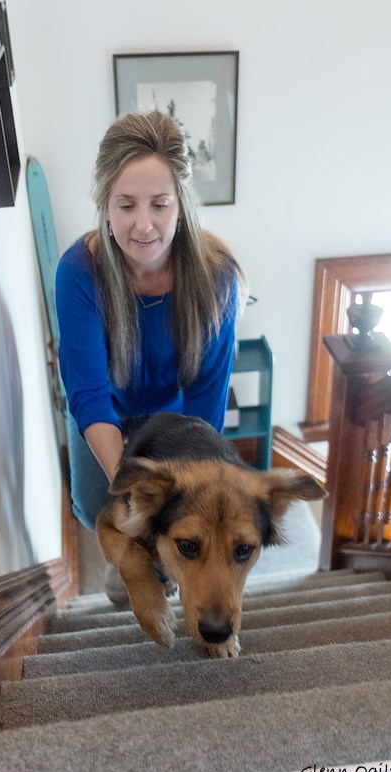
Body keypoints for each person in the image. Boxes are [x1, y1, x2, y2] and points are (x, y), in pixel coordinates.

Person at [55, 109, 247, 603]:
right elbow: (90, 397)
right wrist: (137, 500)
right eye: (126, 205)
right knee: (93, 504)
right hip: (108, 413)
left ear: (181, 204)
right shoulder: (78, 273)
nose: (144, 225)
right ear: (105, 206)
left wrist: (183, 500)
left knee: (175, 519)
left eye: (159, 205)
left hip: (173, 416)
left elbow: (206, 406)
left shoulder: (219, 280)